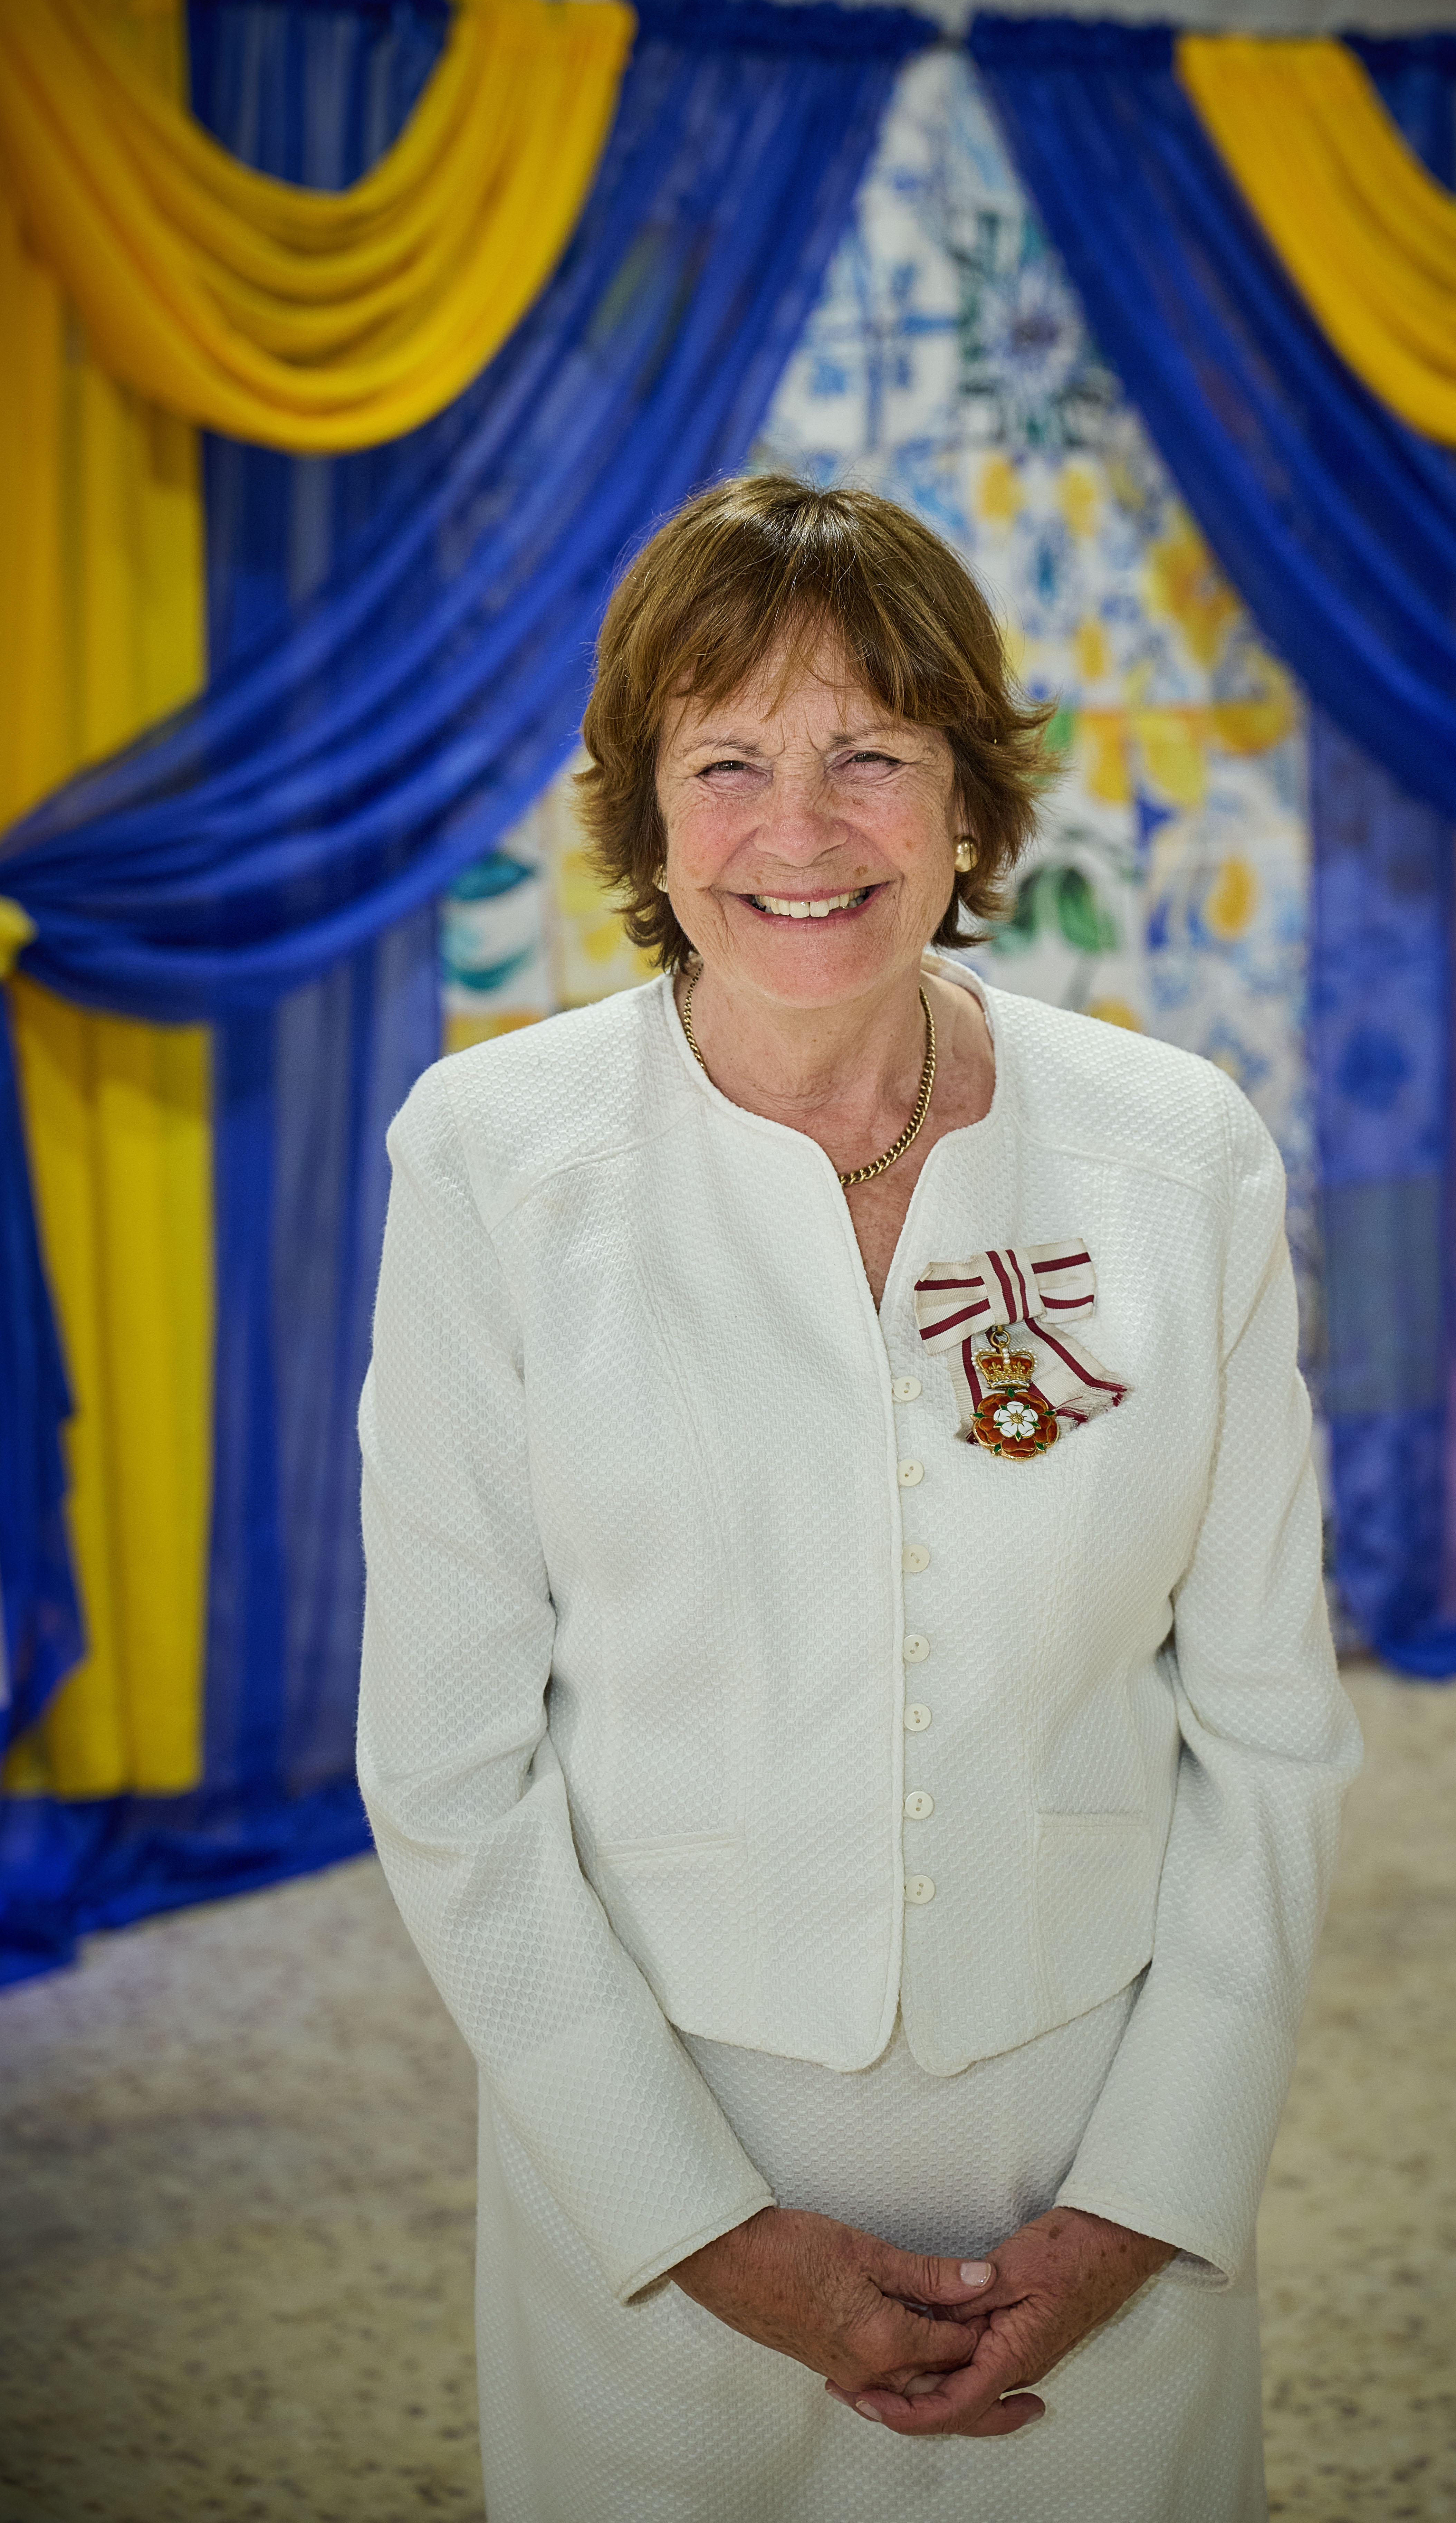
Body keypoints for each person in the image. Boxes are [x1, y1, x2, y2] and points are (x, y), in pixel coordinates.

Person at [357, 473, 1361, 2522]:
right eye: (723, 764)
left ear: (969, 800)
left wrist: (1144, 2205)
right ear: (640, 819)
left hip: (1082, 2153)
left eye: (870, 761)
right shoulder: (492, 1161)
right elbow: (451, 1767)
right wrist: (706, 2231)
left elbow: (1270, 1735)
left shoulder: (1177, 1156)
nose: (797, 835)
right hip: (655, 2183)